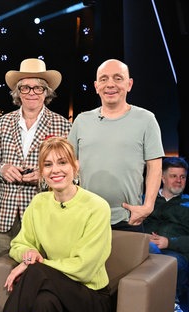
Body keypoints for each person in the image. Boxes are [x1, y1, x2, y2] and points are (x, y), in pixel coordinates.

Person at [3, 137, 112, 312]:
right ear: (41, 171)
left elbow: (83, 268)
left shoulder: (97, 207)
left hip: (90, 297)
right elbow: (18, 244)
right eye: (47, 164)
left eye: (62, 162)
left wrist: (35, 265)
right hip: (53, 289)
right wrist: (28, 253)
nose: (55, 170)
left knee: (36, 271)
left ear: (75, 166)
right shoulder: (39, 203)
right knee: (44, 302)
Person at [0, 58, 72, 257]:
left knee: (36, 274)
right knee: (0, 272)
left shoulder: (63, 126)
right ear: (17, 93)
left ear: (46, 92)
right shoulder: (2, 123)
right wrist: (2, 170)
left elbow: (71, 173)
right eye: (25, 88)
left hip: (42, 217)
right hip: (2, 217)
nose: (31, 93)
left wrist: (43, 176)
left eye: (38, 88)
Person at [68, 58, 164, 231]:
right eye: (104, 79)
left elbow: (155, 167)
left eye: (118, 78)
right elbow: (68, 165)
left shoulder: (146, 119)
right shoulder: (81, 121)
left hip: (129, 219)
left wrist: (147, 206)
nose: (110, 84)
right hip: (85, 218)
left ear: (129, 84)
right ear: (96, 86)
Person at [143, 157, 189, 312]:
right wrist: (143, 239)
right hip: (144, 249)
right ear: (162, 178)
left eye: (182, 177)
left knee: (170, 263)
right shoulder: (145, 201)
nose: (179, 181)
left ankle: (173, 307)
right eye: (173, 176)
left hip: (175, 254)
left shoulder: (188, 204)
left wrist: (169, 241)